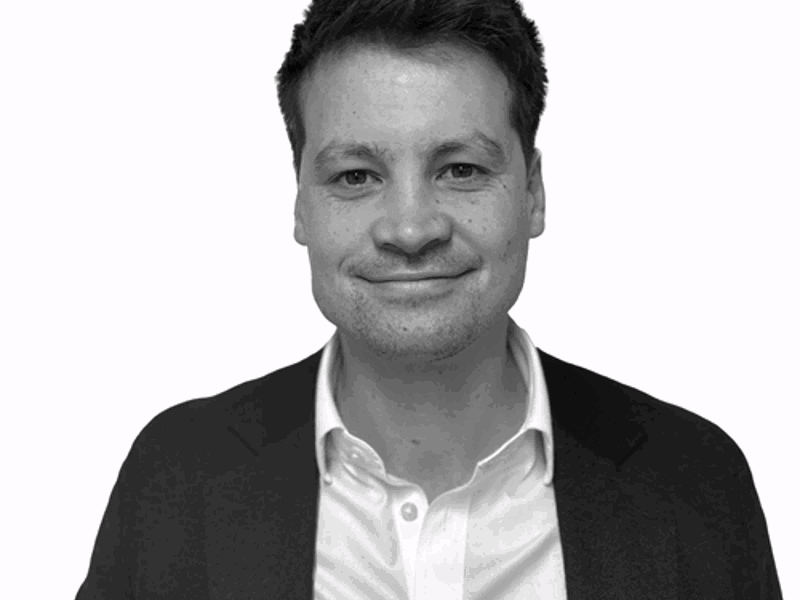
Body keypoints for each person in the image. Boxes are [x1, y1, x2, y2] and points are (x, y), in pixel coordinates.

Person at [75, 0, 782, 598]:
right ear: (300, 204)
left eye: (461, 169)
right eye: (356, 176)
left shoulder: (694, 480)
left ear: (533, 193)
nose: (410, 229)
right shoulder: (177, 477)